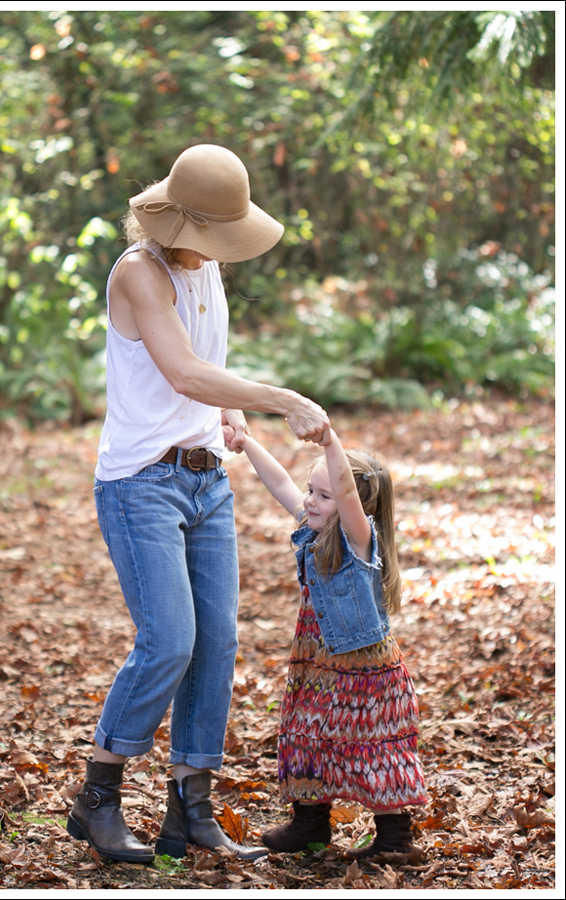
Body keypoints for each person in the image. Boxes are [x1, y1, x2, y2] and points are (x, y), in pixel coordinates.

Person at [66, 143, 331, 864]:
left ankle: (191, 812)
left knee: (217, 644)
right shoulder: (138, 272)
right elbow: (181, 372)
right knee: (169, 641)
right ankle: (97, 799)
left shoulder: (203, 265)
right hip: (140, 483)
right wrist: (278, 400)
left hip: (207, 478)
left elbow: (200, 368)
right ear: (177, 223)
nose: (217, 250)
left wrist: (227, 416)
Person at [230, 425, 427, 859]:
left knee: (376, 751)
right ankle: (310, 826)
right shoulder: (313, 529)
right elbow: (281, 481)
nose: (309, 501)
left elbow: (347, 491)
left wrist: (329, 442)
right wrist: (246, 443)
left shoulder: (358, 539)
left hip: (366, 675)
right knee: (304, 736)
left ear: (355, 504)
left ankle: (395, 840)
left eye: (323, 495)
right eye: (310, 491)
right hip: (317, 666)